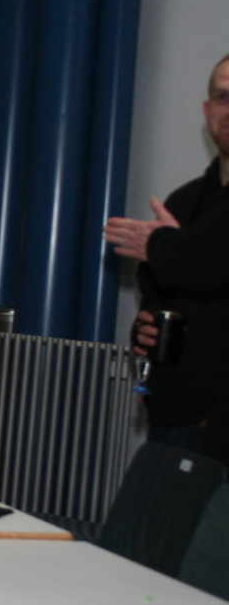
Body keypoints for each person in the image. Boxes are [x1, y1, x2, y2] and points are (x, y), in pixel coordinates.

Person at [103, 54, 229, 460]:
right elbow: (156, 299)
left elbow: (210, 264)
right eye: (223, 97)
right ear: (207, 111)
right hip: (173, 420)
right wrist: (143, 333)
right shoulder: (182, 203)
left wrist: (169, 249)